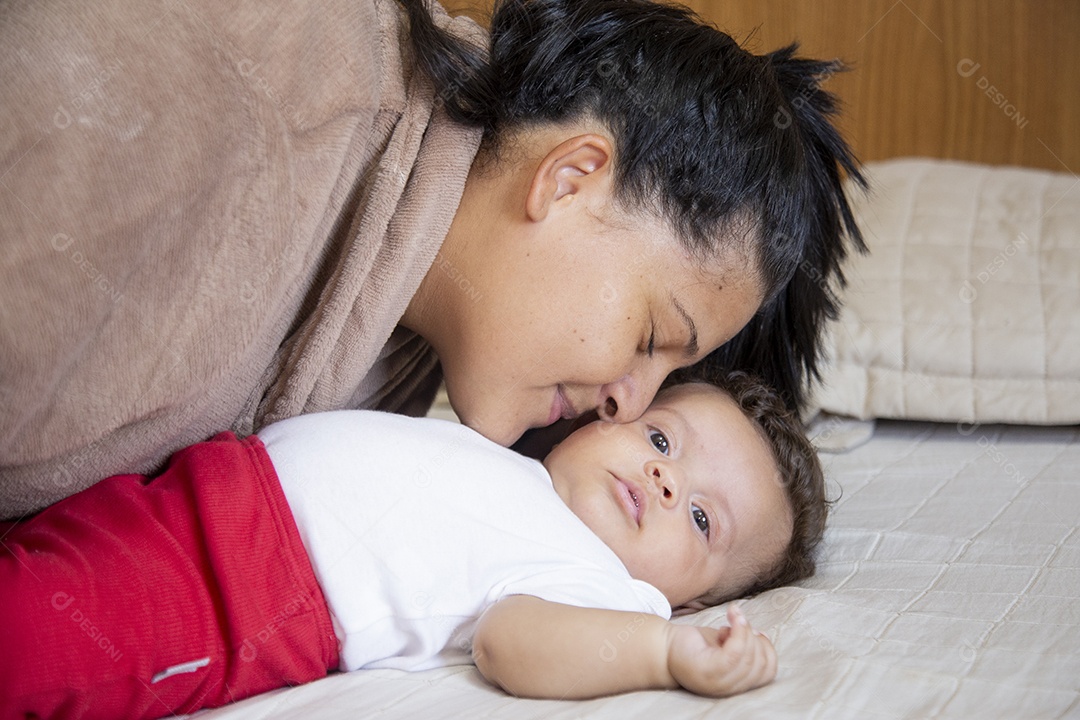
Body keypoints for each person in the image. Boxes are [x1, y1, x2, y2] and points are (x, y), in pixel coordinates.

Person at [0, 0, 863, 518]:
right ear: (569, 180)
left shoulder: (410, 334)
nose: (624, 403)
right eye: (649, 336)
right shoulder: (244, 86)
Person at [0, 371, 827, 718]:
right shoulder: (514, 460)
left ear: (693, 601)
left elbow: (511, 643)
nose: (667, 484)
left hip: (236, 594)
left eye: (702, 522)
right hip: (199, 487)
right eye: (660, 441)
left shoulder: (609, 592)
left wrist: (666, 654)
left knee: (28, 639)